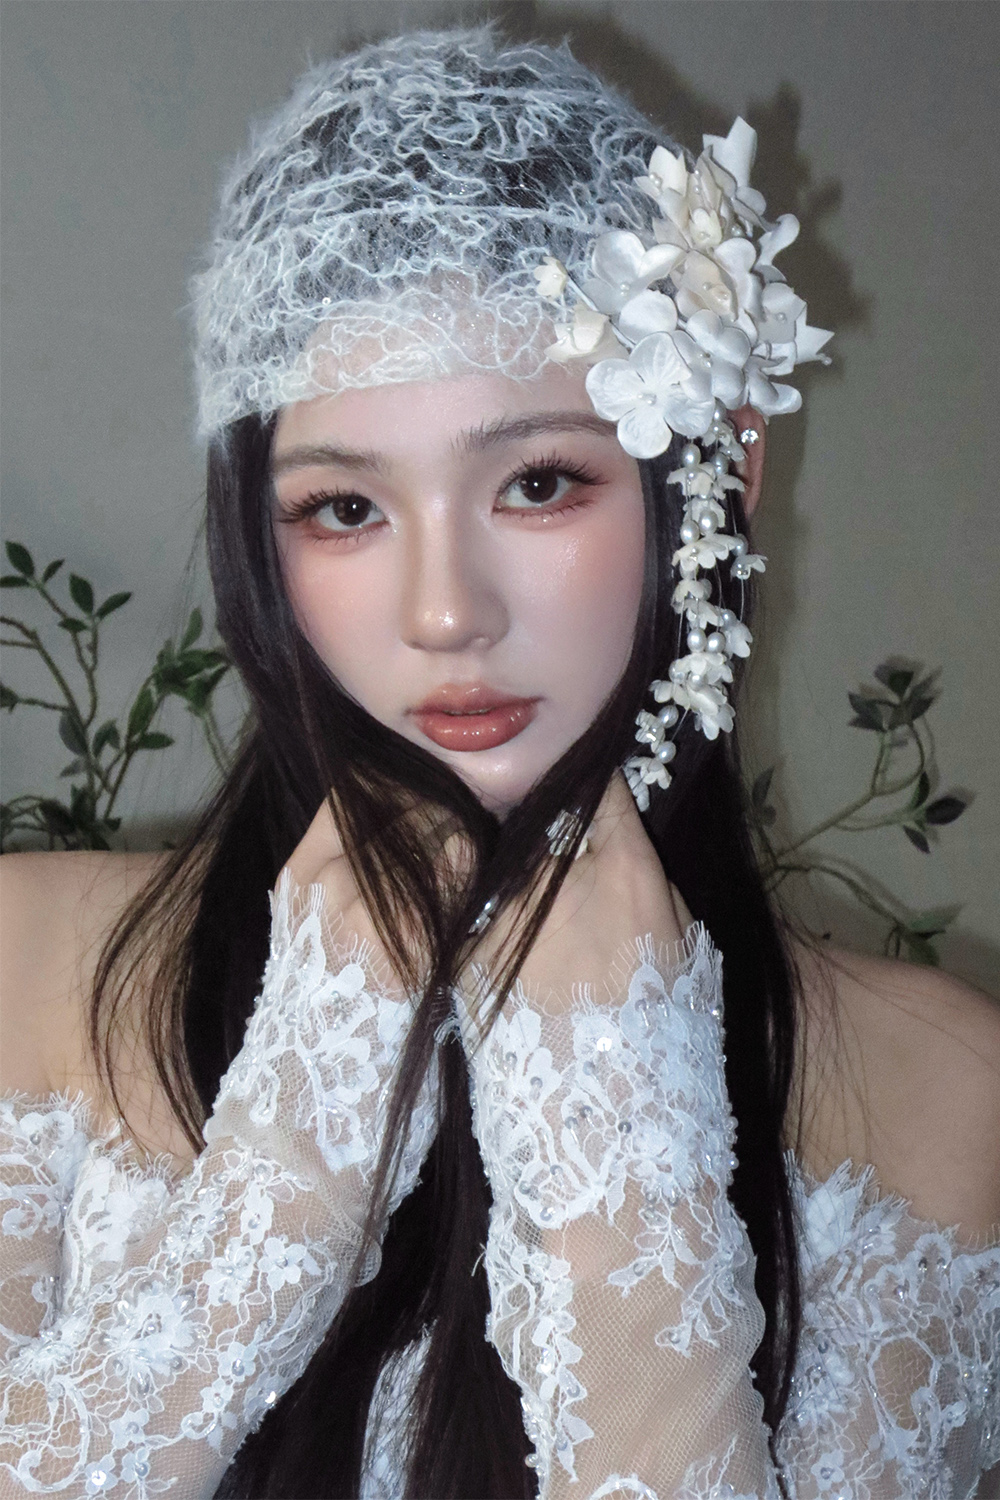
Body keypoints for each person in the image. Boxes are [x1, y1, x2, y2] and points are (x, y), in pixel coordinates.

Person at [1, 25, 997, 1500]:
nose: (446, 613)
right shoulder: (26, 967)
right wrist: (277, 1195)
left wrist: (624, 1159)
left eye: (537, 482)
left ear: (718, 478)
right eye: (345, 509)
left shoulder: (942, 1088)